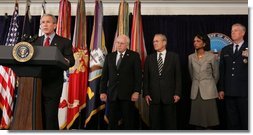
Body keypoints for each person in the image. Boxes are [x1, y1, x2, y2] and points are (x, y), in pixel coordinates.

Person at [32, 14, 75, 129]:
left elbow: (71, 61)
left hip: (53, 84)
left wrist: (64, 60)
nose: (45, 24)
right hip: (35, 83)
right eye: (42, 22)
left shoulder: (64, 42)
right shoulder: (35, 41)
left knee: (50, 116)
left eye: (48, 22)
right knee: (37, 115)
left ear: (55, 25)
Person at [100, 34, 142, 130]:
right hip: (112, 95)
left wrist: (136, 91)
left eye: (121, 43)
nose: (119, 45)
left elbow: (138, 76)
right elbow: (104, 76)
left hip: (128, 95)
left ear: (127, 44)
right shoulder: (109, 57)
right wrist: (102, 91)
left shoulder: (134, 56)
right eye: (117, 43)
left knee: (128, 122)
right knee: (112, 122)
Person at [143, 34, 181, 130]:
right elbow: (146, 78)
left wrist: (177, 93)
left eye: (157, 41)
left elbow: (178, 77)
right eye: (153, 41)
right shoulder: (149, 58)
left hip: (169, 97)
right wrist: (146, 93)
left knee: (170, 124)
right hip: (153, 98)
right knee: (155, 125)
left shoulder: (174, 57)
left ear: (164, 42)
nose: (154, 43)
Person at [218, 23, 248, 130]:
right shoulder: (226, 49)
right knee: (231, 121)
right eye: (232, 30)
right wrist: (221, 89)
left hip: (245, 92)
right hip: (229, 92)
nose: (232, 32)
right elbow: (222, 71)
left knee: (246, 121)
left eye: (236, 30)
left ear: (243, 33)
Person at [188, 34, 219, 129]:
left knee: (209, 120)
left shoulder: (211, 57)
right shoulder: (190, 57)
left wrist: (209, 86)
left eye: (198, 41)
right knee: (197, 120)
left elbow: (216, 75)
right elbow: (191, 74)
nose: (195, 43)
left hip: (209, 92)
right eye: (194, 41)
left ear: (204, 43)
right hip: (195, 91)